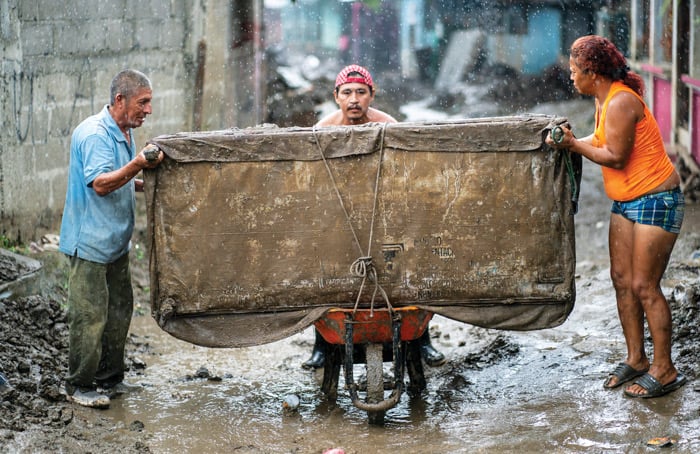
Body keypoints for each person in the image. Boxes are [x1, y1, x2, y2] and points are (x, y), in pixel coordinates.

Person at [546, 35, 686, 398]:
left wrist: (573, 145)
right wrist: (573, 138)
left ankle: (665, 368)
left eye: (575, 72)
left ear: (592, 72)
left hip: (656, 199)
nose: (571, 78)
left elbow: (615, 156)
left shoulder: (623, 100)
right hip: (625, 202)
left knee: (644, 286)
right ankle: (637, 359)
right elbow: (600, 138)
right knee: (621, 280)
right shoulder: (602, 97)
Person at [304, 64, 446, 369]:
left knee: (410, 267)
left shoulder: (388, 125)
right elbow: (314, 180)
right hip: (339, 213)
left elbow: (403, 172)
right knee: (320, 270)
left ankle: (423, 341)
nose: (354, 99)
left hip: (382, 212)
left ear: (372, 95)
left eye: (360, 92)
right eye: (347, 93)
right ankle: (320, 345)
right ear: (336, 97)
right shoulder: (323, 130)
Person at [59, 69, 164, 408]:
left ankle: (109, 379)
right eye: (142, 103)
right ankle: (78, 386)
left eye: (149, 103)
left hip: (115, 243)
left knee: (119, 311)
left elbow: (120, 176)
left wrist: (148, 184)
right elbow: (102, 183)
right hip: (89, 243)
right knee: (90, 317)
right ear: (120, 100)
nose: (148, 110)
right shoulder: (93, 133)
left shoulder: (124, 129)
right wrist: (137, 165)